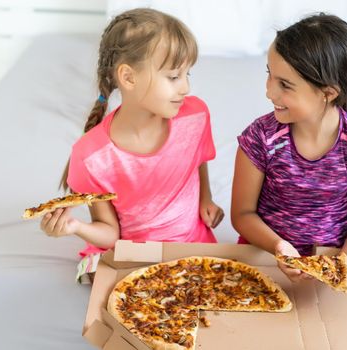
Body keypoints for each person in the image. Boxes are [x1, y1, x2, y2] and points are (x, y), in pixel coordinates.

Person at [40, 8, 224, 281]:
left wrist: (205, 198)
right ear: (128, 77)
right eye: (174, 77)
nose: (185, 87)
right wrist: (74, 225)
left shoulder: (195, 116)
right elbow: (109, 233)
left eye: (188, 75)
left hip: (190, 247)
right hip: (128, 257)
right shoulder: (90, 156)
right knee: (103, 285)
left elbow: (197, 159)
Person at [231, 13, 347, 282]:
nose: (270, 92)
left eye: (285, 85)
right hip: (262, 257)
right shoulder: (260, 138)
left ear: (328, 93)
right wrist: (279, 248)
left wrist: (345, 260)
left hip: (327, 264)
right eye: (270, 75)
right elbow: (242, 215)